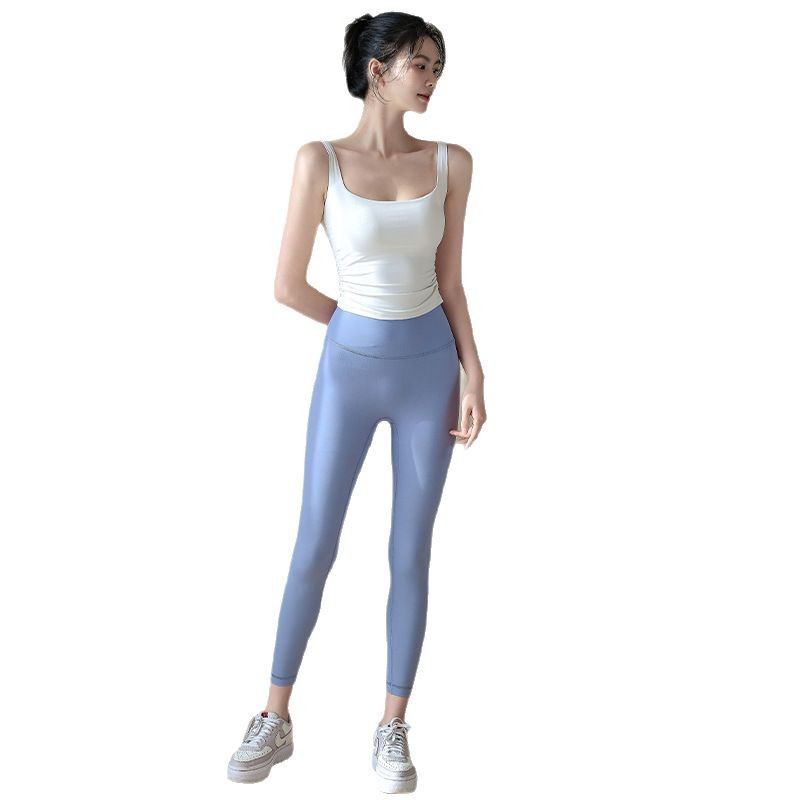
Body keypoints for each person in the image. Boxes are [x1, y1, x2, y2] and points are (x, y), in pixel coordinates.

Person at [227, 11, 486, 792]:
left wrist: (474, 372)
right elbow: (286, 285)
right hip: (348, 371)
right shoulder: (319, 160)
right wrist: (360, 326)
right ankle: (274, 717)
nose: (432, 79)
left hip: (430, 373)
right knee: (314, 543)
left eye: (437, 67)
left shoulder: (453, 162)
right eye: (420, 64)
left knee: (410, 551)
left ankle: (392, 727)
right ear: (378, 70)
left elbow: (450, 281)